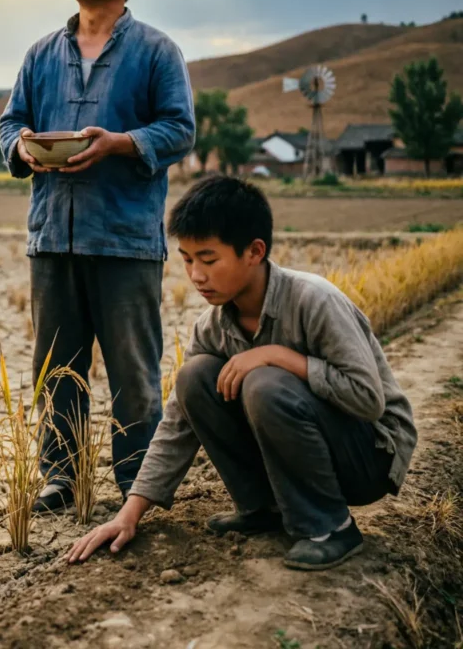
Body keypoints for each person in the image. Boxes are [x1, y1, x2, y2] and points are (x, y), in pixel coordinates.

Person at [69, 175, 416, 571]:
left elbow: (367, 400)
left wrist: (279, 356)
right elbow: (178, 423)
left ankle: (329, 527)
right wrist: (128, 514)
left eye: (209, 259)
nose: (196, 275)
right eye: (187, 259)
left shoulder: (313, 300)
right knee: (194, 377)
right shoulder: (213, 325)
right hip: (306, 449)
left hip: (369, 456)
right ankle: (263, 507)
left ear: (254, 251)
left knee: (266, 383)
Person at [0, 0, 195, 511]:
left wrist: (119, 143)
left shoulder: (156, 51)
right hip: (52, 236)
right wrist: (23, 148)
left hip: (125, 240)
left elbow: (179, 129)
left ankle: (139, 480)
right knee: (57, 367)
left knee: (134, 372)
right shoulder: (41, 54)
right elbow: (11, 124)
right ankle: (60, 477)